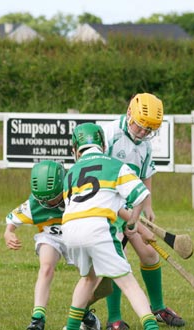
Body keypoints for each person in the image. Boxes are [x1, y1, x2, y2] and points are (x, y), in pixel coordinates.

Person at [61, 123, 159, 330]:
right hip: (98, 229)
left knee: (88, 279)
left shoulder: (70, 172)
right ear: (103, 145)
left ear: (75, 150)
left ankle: (70, 327)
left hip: (69, 232)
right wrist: (133, 221)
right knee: (129, 283)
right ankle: (152, 327)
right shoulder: (115, 165)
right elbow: (141, 193)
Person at [101, 93, 185, 329]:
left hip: (131, 207)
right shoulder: (108, 135)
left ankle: (157, 307)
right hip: (107, 207)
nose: (143, 132)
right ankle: (114, 319)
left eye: (149, 129)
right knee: (117, 260)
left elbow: (146, 173)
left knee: (149, 254)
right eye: (140, 126)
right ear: (130, 113)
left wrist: (147, 205)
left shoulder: (145, 144)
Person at [4, 160, 101, 330]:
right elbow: (12, 220)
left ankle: (83, 312)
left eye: (53, 198)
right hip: (50, 237)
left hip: (77, 237)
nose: (47, 203)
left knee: (87, 277)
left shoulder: (77, 194)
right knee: (46, 267)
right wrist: (9, 232)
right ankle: (37, 319)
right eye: (43, 199)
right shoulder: (35, 203)